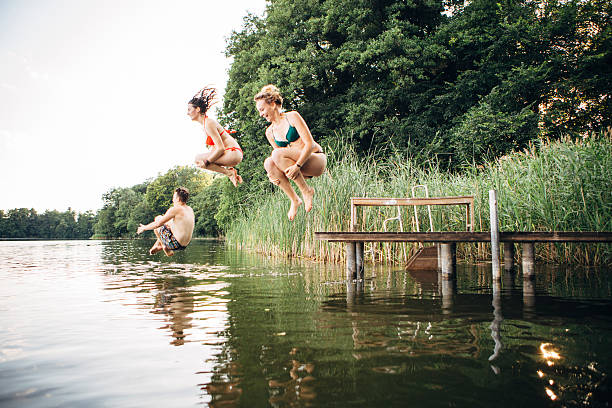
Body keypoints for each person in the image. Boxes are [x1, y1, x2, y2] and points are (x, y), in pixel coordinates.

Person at [254, 85, 327, 220]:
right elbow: (280, 162)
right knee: (269, 163)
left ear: (273, 104)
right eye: (259, 111)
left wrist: (297, 166)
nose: (261, 114)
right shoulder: (269, 132)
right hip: (299, 169)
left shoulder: (292, 117)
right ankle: (294, 200)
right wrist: (274, 175)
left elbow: (310, 144)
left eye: (262, 109)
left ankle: (306, 191)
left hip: (315, 160)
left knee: (276, 154)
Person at [189, 87, 243, 187]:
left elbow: (220, 149)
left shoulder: (208, 123)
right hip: (232, 153)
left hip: (232, 152)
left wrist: (206, 162)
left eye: (189, 109)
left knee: (198, 159)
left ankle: (229, 173)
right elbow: (215, 150)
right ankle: (230, 173)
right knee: (201, 160)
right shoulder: (206, 124)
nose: (187, 113)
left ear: (197, 109)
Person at [137, 187, 195, 256]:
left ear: (178, 199)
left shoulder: (175, 209)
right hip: (185, 245)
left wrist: (144, 228)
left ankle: (165, 248)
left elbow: (157, 224)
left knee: (158, 219)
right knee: (168, 223)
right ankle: (157, 245)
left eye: (173, 197)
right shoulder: (190, 209)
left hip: (175, 244)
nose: (172, 200)